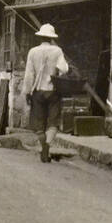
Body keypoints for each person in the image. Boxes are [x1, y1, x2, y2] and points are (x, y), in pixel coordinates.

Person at [22, 23, 70, 163]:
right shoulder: (57, 51)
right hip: (53, 91)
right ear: (51, 38)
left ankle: (43, 145)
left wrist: (27, 92)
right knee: (53, 121)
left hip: (38, 91)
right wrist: (56, 71)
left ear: (41, 37)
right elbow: (64, 69)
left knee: (38, 122)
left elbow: (29, 74)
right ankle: (47, 146)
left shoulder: (33, 52)